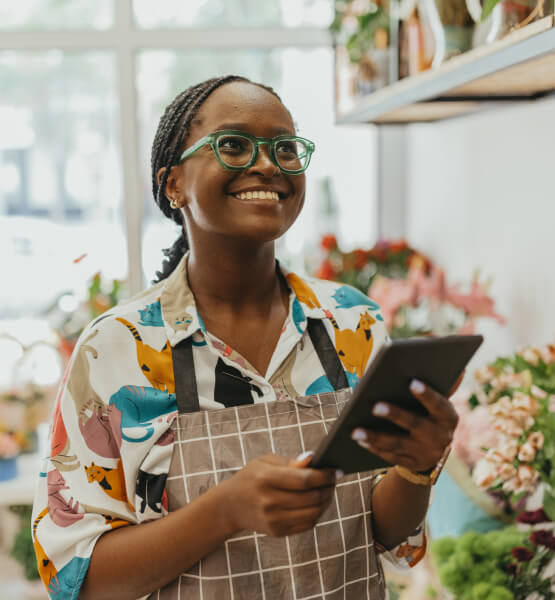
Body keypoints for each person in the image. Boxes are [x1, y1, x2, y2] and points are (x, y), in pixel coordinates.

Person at [32, 75, 458, 600]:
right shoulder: (117, 348)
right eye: (233, 145)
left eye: (285, 148)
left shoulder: (353, 322)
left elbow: (382, 535)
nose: (267, 164)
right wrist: (224, 509)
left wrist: (416, 468)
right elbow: (79, 578)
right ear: (173, 184)